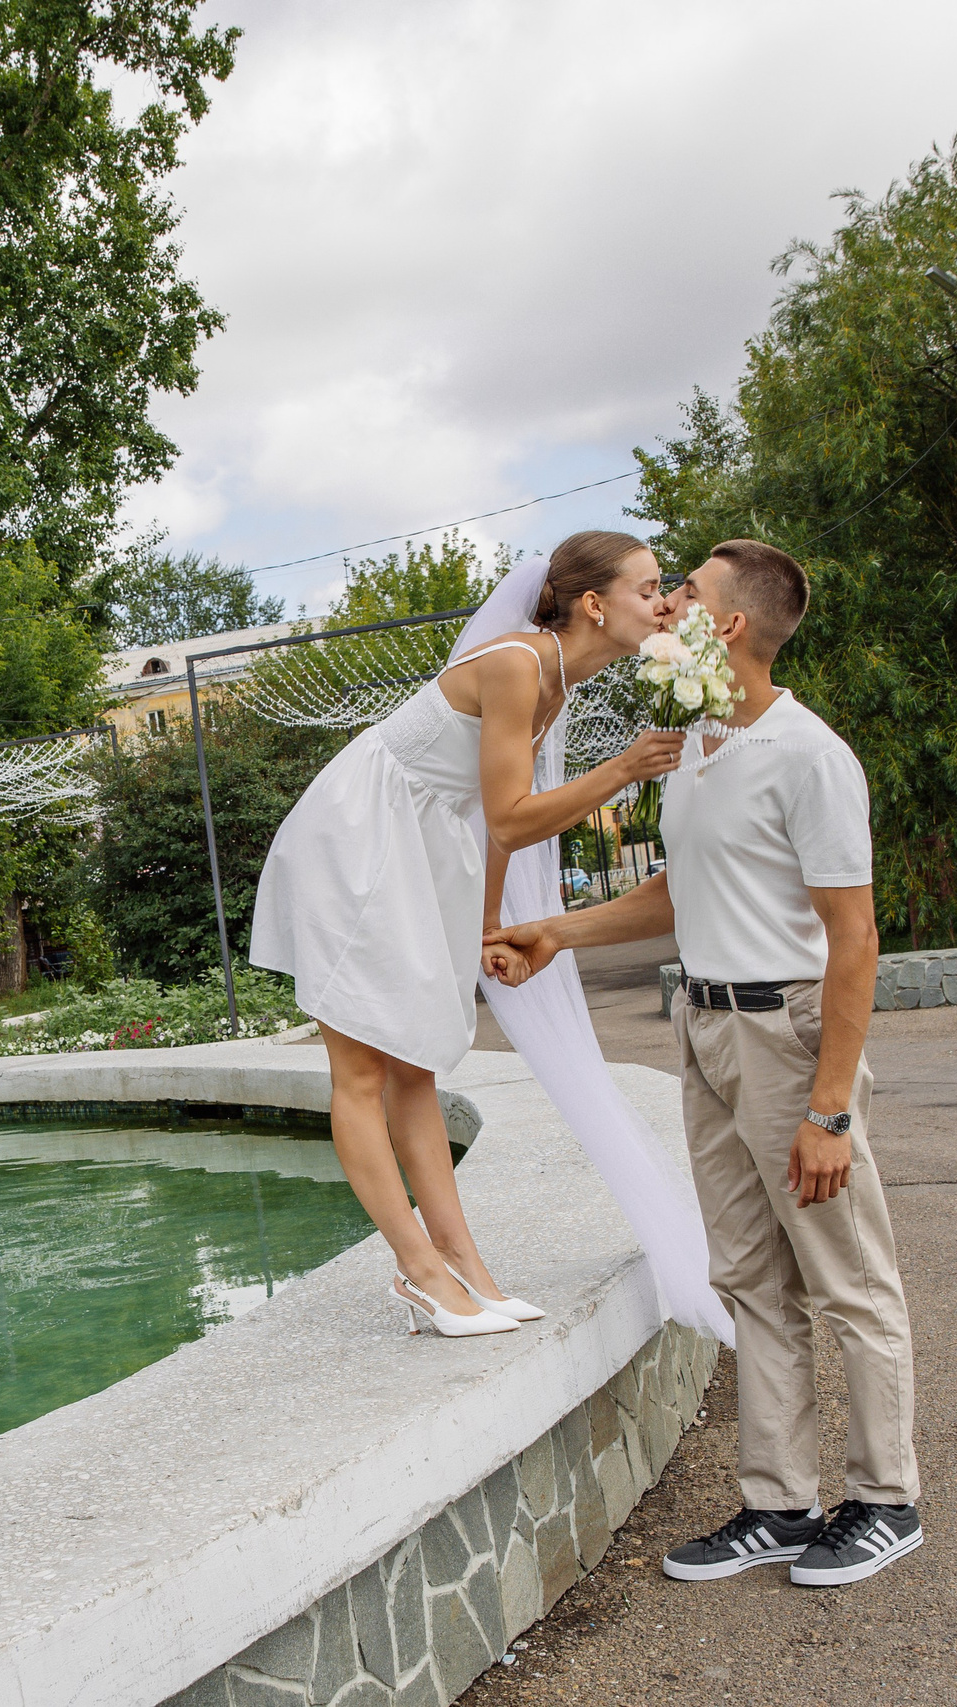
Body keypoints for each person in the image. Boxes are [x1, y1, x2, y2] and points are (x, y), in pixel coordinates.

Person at [488, 539, 922, 1589]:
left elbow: (853, 939)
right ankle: (777, 1504)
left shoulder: (810, 755)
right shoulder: (695, 749)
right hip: (706, 1030)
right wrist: (557, 931)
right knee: (750, 1279)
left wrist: (829, 1111)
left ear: (726, 625)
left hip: (786, 1033)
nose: (669, 598)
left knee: (847, 1280)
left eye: (688, 590)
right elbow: (677, 897)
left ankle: (884, 1500)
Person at [247, 531, 684, 1338]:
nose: (666, 602)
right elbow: (515, 817)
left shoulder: (558, 682)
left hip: (425, 845)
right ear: (595, 604)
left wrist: (486, 923)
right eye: (651, 586)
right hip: (358, 837)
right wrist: (621, 770)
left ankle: (464, 1265)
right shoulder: (521, 664)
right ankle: (418, 1271)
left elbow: (494, 824)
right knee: (363, 1071)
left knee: (416, 1062)